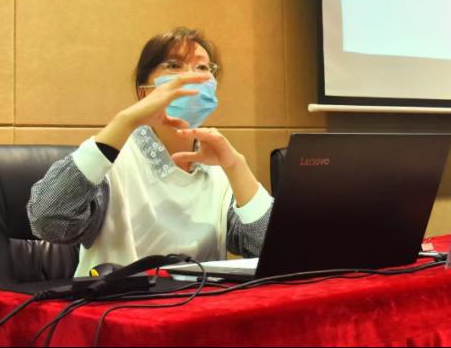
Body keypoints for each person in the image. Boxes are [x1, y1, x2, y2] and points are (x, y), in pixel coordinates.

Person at [27, 27, 272, 277]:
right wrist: (125, 121)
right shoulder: (112, 159)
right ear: (144, 91)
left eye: (201, 68)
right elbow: (47, 220)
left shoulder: (218, 168)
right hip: (119, 299)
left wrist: (235, 166)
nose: (191, 77)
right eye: (174, 66)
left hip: (201, 300)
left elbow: (271, 251)